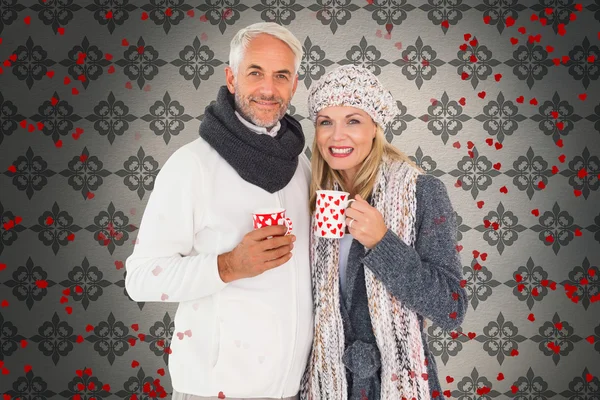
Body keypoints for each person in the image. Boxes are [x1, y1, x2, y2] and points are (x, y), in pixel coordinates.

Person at [125, 22, 313, 400]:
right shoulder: (191, 166)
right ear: (231, 78)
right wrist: (227, 265)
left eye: (281, 76)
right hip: (213, 392)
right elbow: (140, 278)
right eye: (255, 72)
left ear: (294, 86)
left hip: (292, 391)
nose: (267, 89)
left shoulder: (301, 166)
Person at [300, 65, 468, 400]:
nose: (337, 136)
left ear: (375, 127)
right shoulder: (312, 194)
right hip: (325, 384)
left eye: (353, 120)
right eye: (326, 122)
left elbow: (452, 309)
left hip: (397, 383)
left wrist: (382, 243)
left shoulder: (421, 191)